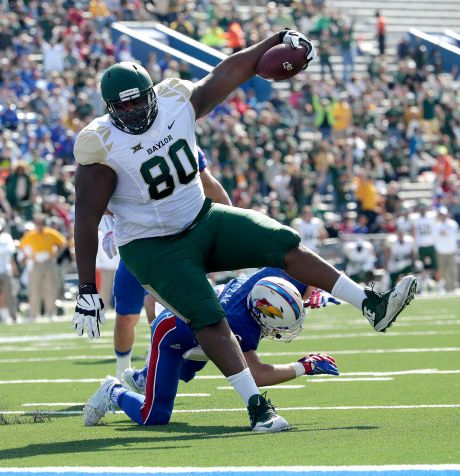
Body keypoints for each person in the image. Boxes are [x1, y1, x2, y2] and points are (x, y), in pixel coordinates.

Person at [72, 30, 417, 433]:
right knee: (209, 317)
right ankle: (258, 408)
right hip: (153, 249)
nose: (132, 111)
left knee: (282, 242)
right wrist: (86, 289)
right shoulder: (100, 144)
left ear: (151, 93)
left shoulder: (174, 100)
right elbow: (85, 219)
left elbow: (232, 71)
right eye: (123, 106)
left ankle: (371, 305)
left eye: (137, 100)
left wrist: (277, 38)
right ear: (110, 108)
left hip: (201, 217)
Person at [82, 269, 340, 427]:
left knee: (185, 372)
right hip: (172, 335)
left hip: (199, 337)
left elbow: (290, 284)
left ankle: (143, 377)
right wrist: (303, 366)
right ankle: (112, 391)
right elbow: (256, 374)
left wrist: (304, 298)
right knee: (154, 415)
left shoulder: (266, 280)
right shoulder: (239, 325)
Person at [101, 147, 233, 378]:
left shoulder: (181, 143)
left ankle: (159, 365)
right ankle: (123, 372)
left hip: (175, 245)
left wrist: (233, 223)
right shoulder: (120, 151)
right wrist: (115, 225)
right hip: (137, 246)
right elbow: (97, 198)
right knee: (126, 319)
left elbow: (211, 185)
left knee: (157, 308)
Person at [19, 213, 67, 319]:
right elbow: (21, 247)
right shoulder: (30, 235)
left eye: (41, 223)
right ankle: (34, 314)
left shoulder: (51, 233)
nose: (39, 225)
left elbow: (63, 243)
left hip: (49, 263)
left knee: (50, 288)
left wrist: (56, 254)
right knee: (34, 289)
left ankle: (51, 313)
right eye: (37, 223)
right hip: (36, 264)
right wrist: (29, 256)